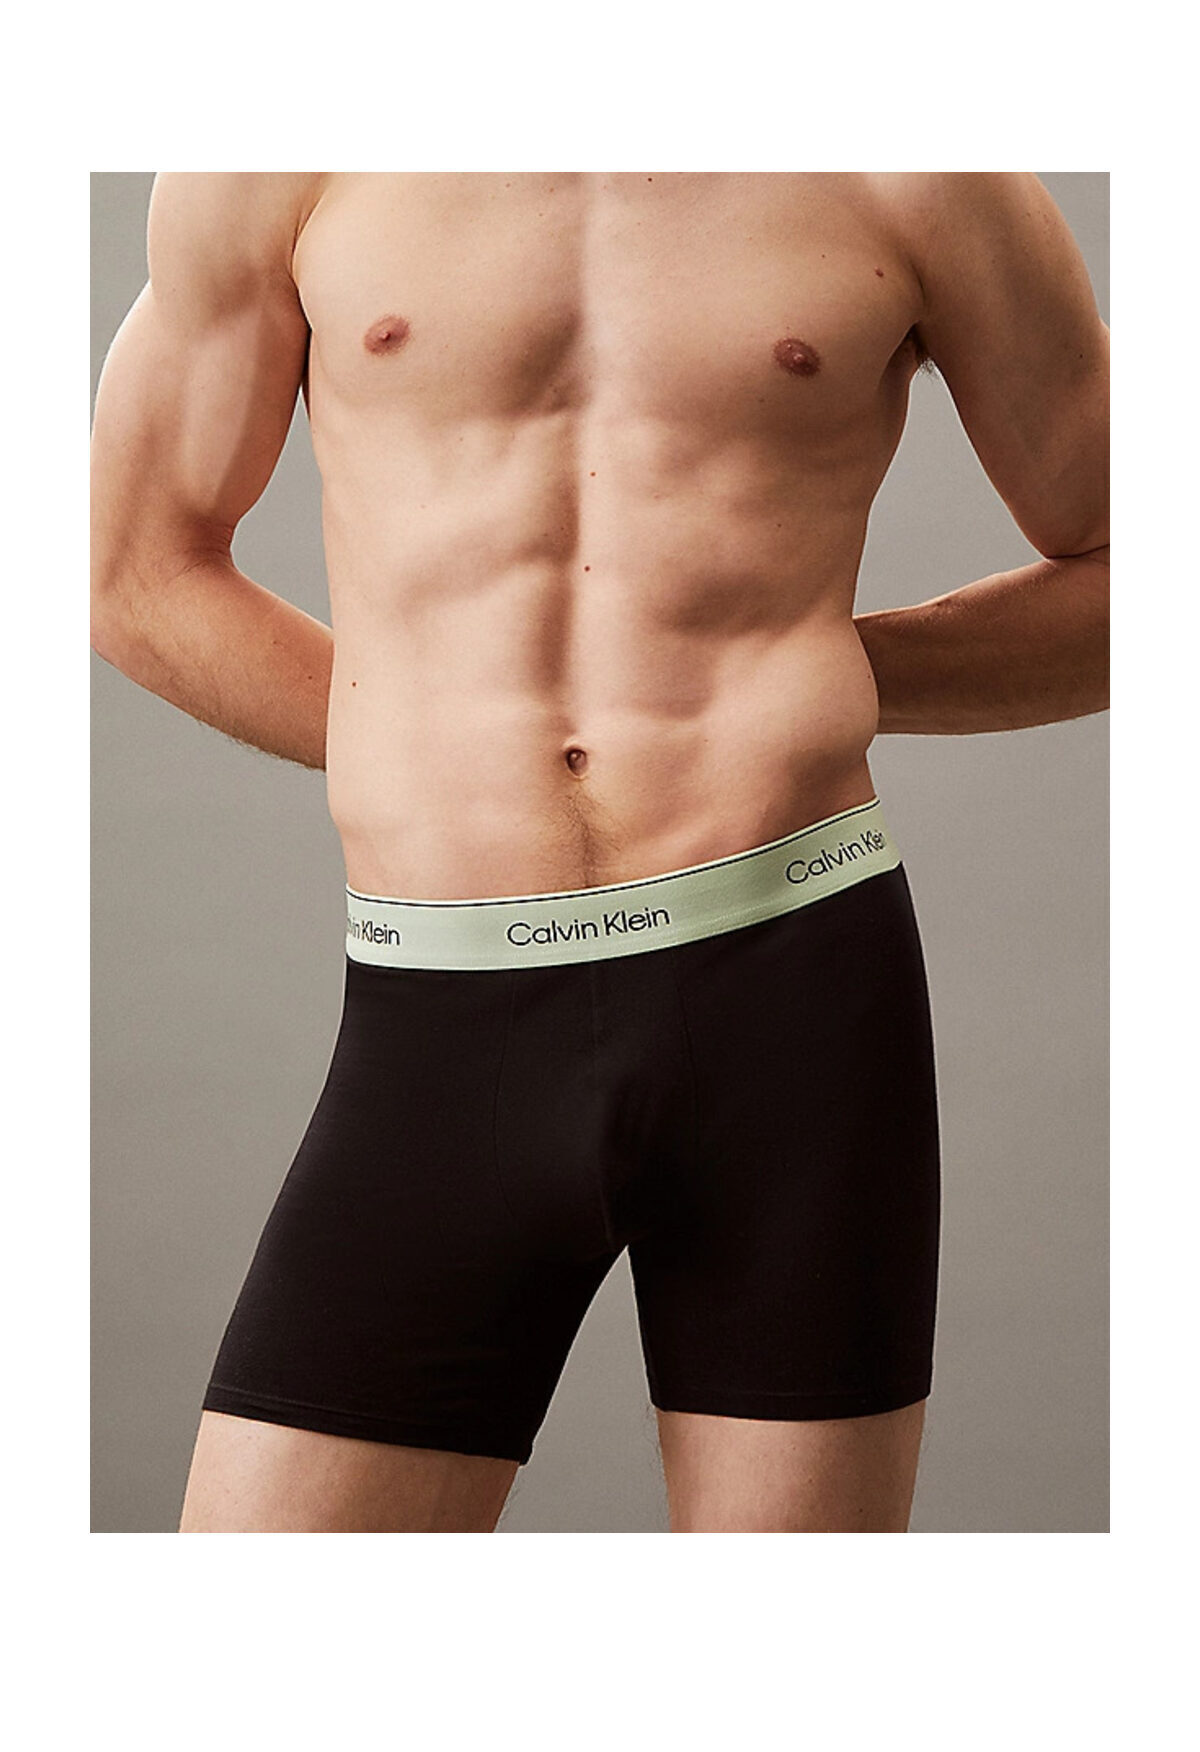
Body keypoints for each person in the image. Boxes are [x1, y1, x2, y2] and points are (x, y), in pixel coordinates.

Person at [90, 172, 1108, 1533]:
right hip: (444, 1005)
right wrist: (426, 733)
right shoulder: (281, 154)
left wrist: (827, 673)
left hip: (791, 993)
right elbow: (134, 569)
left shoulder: (918, 170)